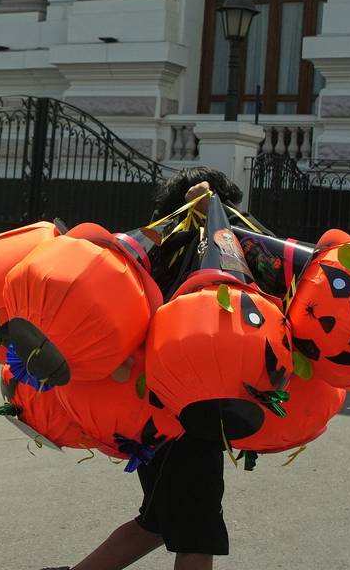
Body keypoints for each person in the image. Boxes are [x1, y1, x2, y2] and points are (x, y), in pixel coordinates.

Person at [54, 167, 239, 570]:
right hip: (184, 411)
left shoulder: (142, 253)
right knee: (197, 532)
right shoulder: (193, 255)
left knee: (156, 521)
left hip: (151, 412)